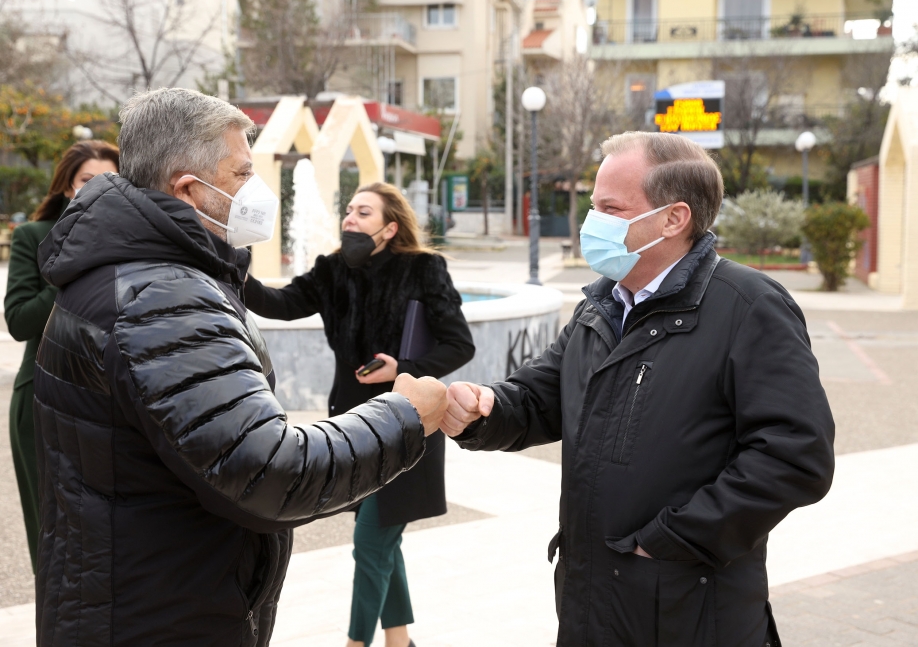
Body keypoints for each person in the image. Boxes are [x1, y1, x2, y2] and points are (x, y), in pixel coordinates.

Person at [32, 87, 448, 647]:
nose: (256, 191)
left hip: (130, 599)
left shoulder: (122, 271)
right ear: (188, 189)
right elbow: (268, 472)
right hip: (164, 617)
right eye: (240, 173)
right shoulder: (164, 298)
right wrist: (402, 417)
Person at [441, 131, 835, 646]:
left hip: (687, 611)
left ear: (674, 218)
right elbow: (543, 397)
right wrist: (484, 408)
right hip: (591, 601)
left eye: (610, 208)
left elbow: (796, 455)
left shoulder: (748, 306)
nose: (591, 223)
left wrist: (670, 541)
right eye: (592, 206)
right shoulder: (602, 306)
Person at [244, 182, 475, 647]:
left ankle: (356, 643)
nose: (350, 218)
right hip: (353, 429)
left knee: (372, 541)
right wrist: (232, 264)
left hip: (409, 424)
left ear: (390, 228)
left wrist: (402, 368)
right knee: (382, 541)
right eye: (348, 209)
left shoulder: (424, 269)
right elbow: (281, 303)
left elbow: (460, 344)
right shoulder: (331, 271)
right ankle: (399, 641)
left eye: (363, 212)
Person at [4, 140, 119, 573]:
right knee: (51, 536)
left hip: (109, 399)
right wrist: (71, 265)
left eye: (110, 181)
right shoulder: (33, 237)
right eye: (89, 180)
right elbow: (18, 320)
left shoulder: (131, 238)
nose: (98, 189)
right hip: (41, 396)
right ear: (69, 186)